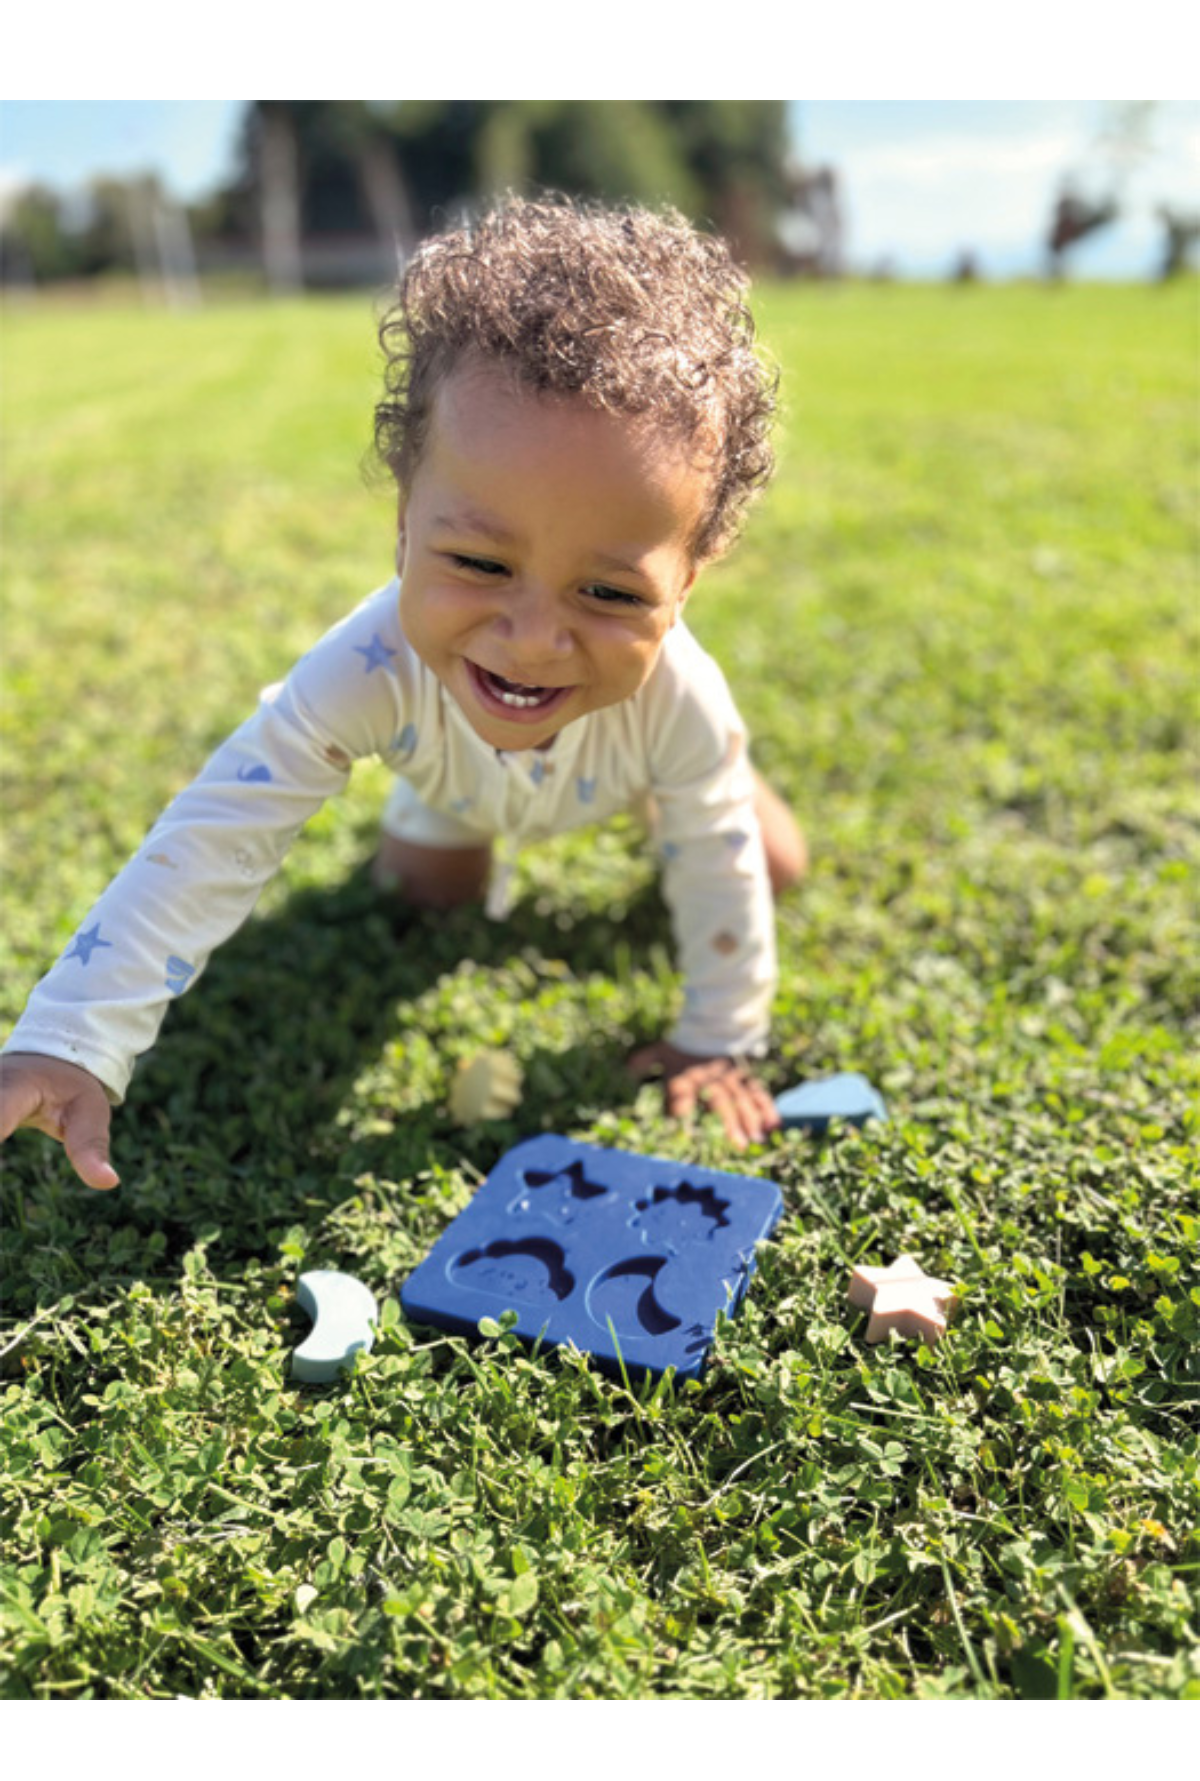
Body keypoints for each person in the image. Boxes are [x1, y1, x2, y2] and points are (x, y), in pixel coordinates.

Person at [0, 196, 806, 1190]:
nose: (533, 638)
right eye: (476, 562)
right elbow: (219, 828)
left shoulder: (681, 692)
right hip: (452, 769)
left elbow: (723, 892)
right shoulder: (366, 663)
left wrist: (720, 1033)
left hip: (633, 752)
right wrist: (70, 1039)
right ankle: (507, 805)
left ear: (691, 576)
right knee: (424, 900)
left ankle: (706, 781)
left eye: (607, 591)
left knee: (767, 862)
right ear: (403, 519)